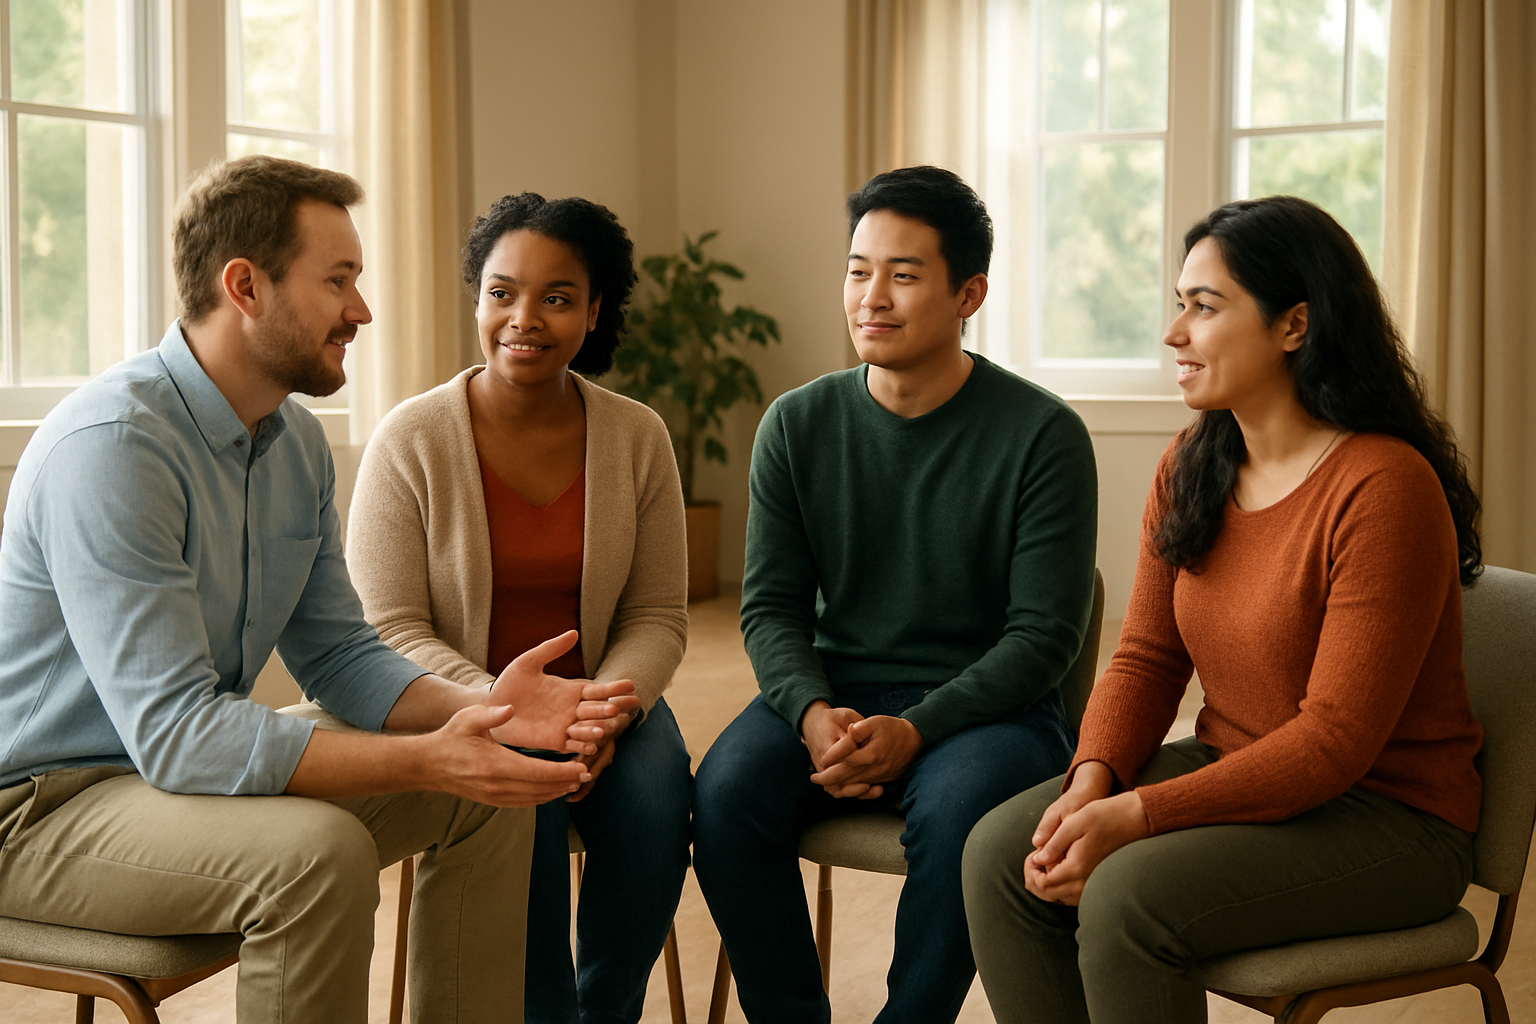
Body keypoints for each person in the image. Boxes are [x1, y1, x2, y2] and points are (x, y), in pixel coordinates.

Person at [0, 155, 639, 1024]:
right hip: (42, 812)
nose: (362, 309)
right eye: (338, 280)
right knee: (319, 852)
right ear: (246, 286)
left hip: (169, 778)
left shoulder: (294, 441)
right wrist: (424, 755)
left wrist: (488, 709)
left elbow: (340, 654)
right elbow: (181, 734)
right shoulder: (114, 447)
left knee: (492, 784)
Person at [962, 195, 1485, 1024]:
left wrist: (1137, 813)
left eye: (1204, 307)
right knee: (999, 852)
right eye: (1179, 304)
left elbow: (1332, 743)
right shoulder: (1194, 460)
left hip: (1389, 820)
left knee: (1127, 897)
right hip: (1236, 774)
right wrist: (1092, 778)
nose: (1175, 333)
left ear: (1294, 325)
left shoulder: (1384, 488)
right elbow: (1146, 657)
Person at [691, 165, 1099, 1024]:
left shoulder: (1043, 435)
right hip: (835, 693)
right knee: (724, 796)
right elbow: (769, 609)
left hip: (992, 711)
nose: (871, 297)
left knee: (961, 819)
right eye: (857, 269)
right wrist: (809, 712)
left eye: (903, 275)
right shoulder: (797, 424)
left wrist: (917, 730)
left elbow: (1043, 638)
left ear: (969, 293)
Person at [346, 191, 691, 1024]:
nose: (523, 318)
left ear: (594, 310)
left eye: (557, 297)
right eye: (501, 292)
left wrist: (598, 713)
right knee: (519, 799)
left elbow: (657, 616)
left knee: (657, 803)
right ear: (477, 298)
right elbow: (387, 628)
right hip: (468, 708)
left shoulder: (638, 436)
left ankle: (602, 1011)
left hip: (602, 702)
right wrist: (508, 708)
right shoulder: (411, 438)